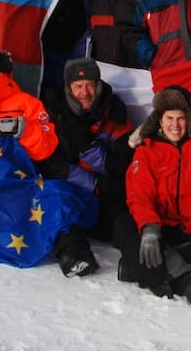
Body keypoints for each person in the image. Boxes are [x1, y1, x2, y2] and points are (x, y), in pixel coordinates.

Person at [0, 48, 95, 277]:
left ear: (6, 74)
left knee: (56, 202)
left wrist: (25, 131)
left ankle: (74, 255)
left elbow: (47, 148)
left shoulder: (27, 103)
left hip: (18, 182)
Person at [114, 86, 191, 304]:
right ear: (159, 120)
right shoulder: (146, 149)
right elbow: (139, 194)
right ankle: (183, 279)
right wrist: (149, 227)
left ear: (190, 118)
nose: (175, 126)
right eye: (169, 118)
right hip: (159, 227)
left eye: (180, 119)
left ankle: (137, 268)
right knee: (124, 225)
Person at [40, 57, 134, 240]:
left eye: (90, 85)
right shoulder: (54, 113)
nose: (85, 93)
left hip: (108, 193)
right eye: (78, 86)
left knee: (124, 222)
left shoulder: (114, 111)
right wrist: (94, 184)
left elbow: (122, 163)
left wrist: (89, 148)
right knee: (61, 209)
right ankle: (74, 258)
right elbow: (52, 164)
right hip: (70, 189)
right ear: (69, 89)